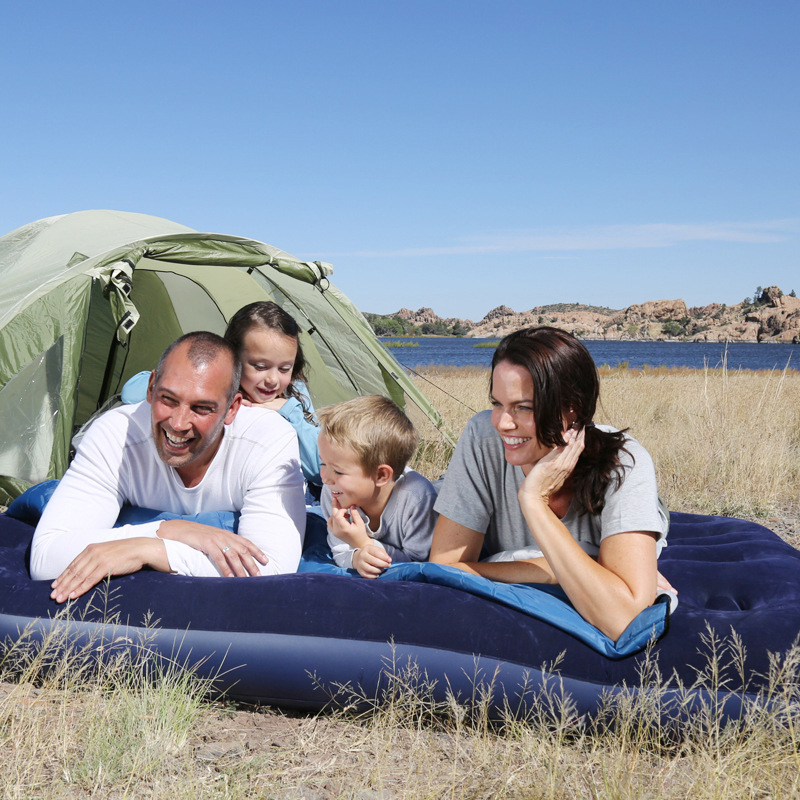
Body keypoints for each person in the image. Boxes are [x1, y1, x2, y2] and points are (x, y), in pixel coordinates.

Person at [430, 327, 669, 641]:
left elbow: (624, 620)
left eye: (524, 407)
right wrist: (559, 569)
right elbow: (444, 568)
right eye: (497, 404)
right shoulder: (483, 437)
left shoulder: (626, 463)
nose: (502, 422)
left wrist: (533, 501)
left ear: (571, 409)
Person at [31, 331, 306, 602]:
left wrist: (150, 549)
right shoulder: (116, 434)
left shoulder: (269, 441)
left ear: (232, 409)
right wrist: (168, 530)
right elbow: (45, 559)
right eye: (168, 400)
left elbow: (271, 574)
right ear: (151, 388)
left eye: (201, 408)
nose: (178, 423)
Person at [317, 395, 438, 578]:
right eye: (322, 464)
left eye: (338, 472)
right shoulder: (333, 493)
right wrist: (356, 558)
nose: (325, 478)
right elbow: (340, 550)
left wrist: (363, 542)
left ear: (381, 475)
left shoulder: (417, 500)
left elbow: (417, 563)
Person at [223, 301, 322, 491]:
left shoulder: (295, 394)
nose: (273, 380)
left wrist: (288, 411)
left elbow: (318, 468)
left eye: (285, 369)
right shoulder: (217, 392)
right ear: (232, 357)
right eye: (260, 367)